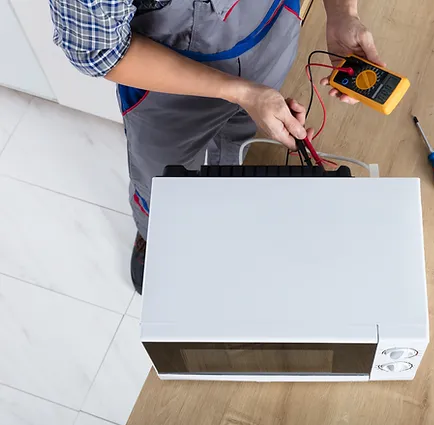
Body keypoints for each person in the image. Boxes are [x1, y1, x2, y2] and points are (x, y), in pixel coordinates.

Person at [50, 0, 383, 294]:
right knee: (164, 180)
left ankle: (223, 195)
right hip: (167, 80)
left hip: (270, 33)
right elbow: (103, 52)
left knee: (238, 138)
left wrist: (341, 12)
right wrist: (242, 92)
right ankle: (155, 235)